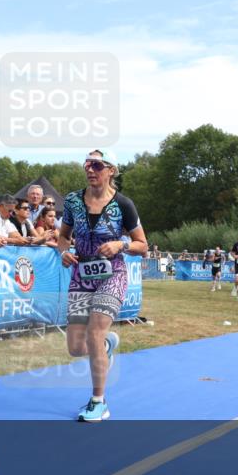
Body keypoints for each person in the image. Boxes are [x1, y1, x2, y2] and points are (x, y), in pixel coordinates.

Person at [58, 150, 147, 423]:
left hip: (112, 274)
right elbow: (63, 236)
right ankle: (106, 345)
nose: (90, 169)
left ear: (111, 170)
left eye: (96, 165)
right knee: (76, 347)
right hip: (81, 275)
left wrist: (121, 244)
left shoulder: (123, 204)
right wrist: (63, 252)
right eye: (87, 164)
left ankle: (98, 402)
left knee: (94, 333)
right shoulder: (72, 201)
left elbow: (143, 245)